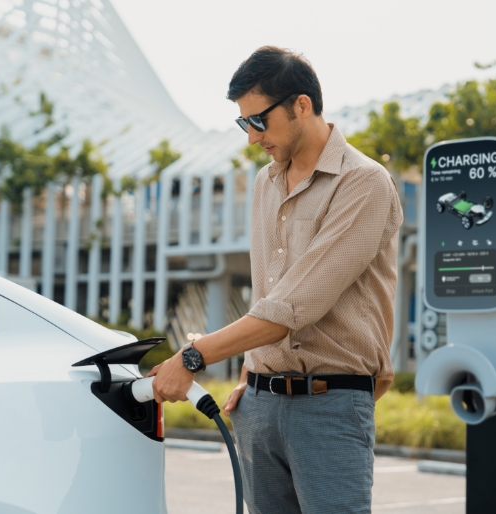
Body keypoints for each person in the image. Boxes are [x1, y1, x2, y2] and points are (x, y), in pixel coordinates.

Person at [149, 46, 403, 514]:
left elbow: (293, 306)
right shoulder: (267, 183)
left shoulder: (364, 183)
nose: (251, 138)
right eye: (243, 124)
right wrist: (252, 368)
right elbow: (268, 293)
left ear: (301, 105)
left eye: (258, 121)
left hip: (329, 408)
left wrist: (192, 356)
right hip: (259, 405)